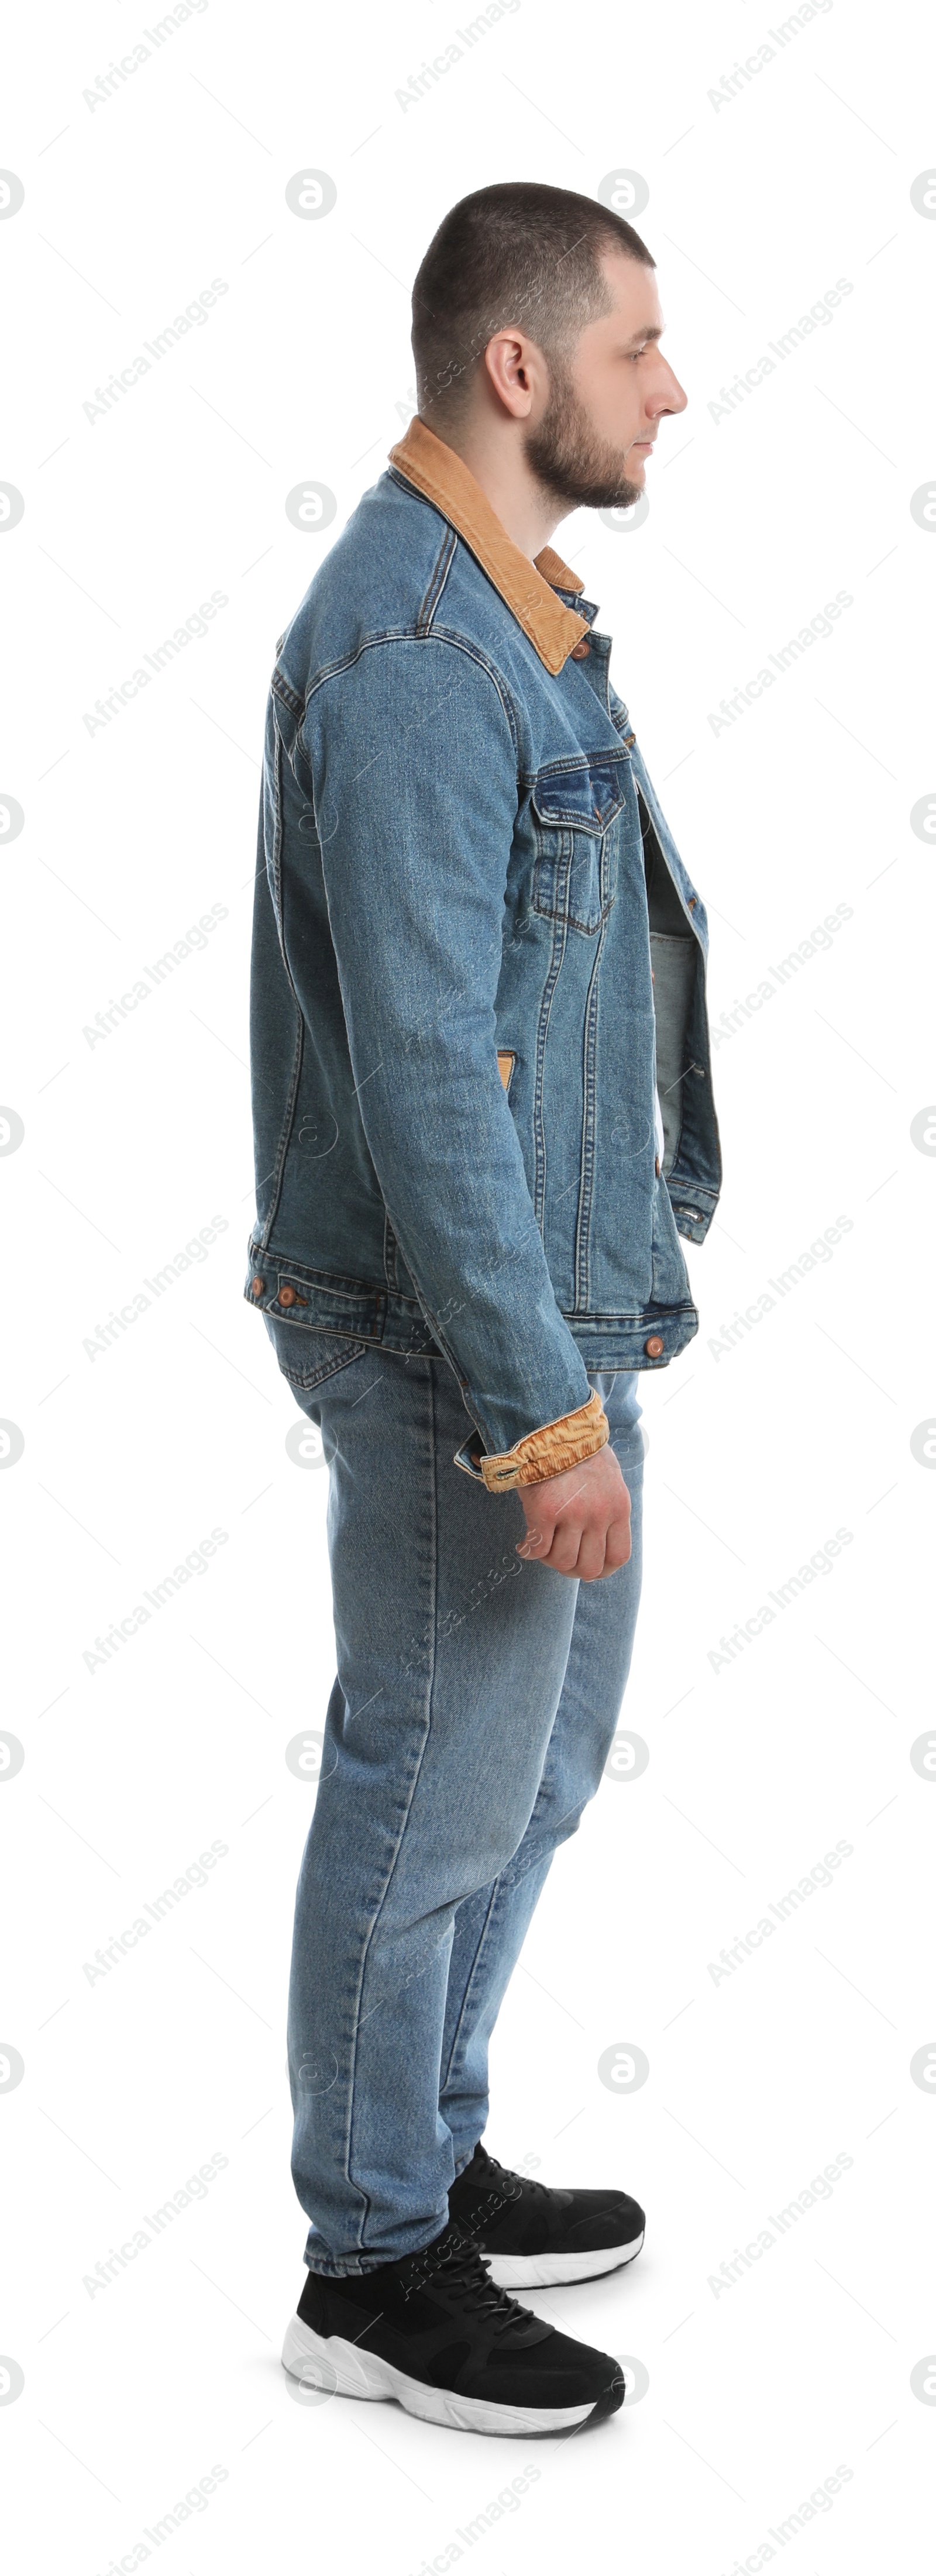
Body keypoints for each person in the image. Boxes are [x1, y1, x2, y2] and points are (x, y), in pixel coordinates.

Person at [245, 180, 721, 2437]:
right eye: (639, 347)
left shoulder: (505, 613)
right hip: (471, 1356)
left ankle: (423, 2147)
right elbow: (432, 1073)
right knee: (430, 1784)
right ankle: (370, 2258)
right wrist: (543, 1418)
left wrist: (603, 1330)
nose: (671, 385)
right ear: (516, 369)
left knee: (517, 1782)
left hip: (556, 1316)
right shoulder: (420, 651)